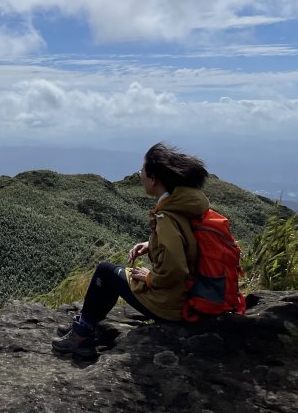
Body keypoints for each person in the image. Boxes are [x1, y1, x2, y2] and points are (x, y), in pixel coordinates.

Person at [51, 142, 210, 358]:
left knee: (105, 272)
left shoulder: (166, 217)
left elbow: (177, 269)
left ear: (154, 179)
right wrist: (149, 245)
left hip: (169, 305)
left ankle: (81, 336)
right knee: (111, 274)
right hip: (185, 297)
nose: (140, 175)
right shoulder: (182, 205)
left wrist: (150, 278)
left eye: (142, 171)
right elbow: (185, 241)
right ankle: (86, 325)